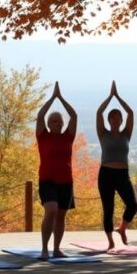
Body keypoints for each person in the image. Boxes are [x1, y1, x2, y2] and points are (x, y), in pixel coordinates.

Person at [36, 81, 77, 259]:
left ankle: (56, 248)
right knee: (51, 210)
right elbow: (40, 115)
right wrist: (52, 98)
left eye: (58, 121)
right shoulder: (42, 136)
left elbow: (74, 116)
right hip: (47, 180)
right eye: (52, 121)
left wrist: (61, 98)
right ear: (48, 124)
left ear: (62, 123)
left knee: (61, 215)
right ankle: (44, 248)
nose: (55, 123)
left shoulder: (68, 136)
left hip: (66, 181)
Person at [96, 80, 137, 251]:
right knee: (108, 209)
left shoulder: (126, 134)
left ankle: (122, 228)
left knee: (133, 204)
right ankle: (110, 241)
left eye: (117, 118)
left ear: (121, 120)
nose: (115, 120)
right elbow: (99, 112)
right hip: (106, 174)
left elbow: (131, 112)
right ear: (109, 120)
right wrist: (109, 97)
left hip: (122, 174)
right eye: (112, 118)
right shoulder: (103, 133)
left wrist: (118, 97)